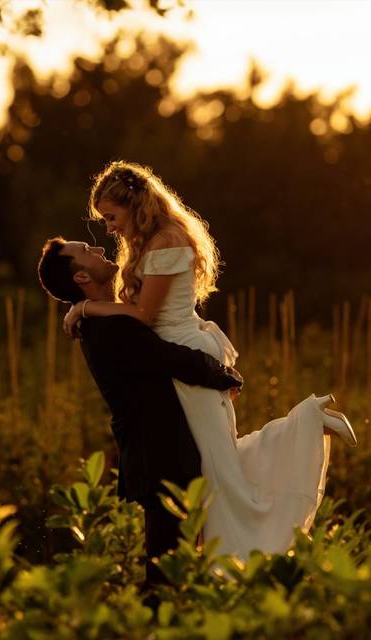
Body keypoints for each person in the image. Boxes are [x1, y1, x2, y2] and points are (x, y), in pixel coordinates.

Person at [60, 160, 357, 560]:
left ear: (133, 204)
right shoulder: (149, 242)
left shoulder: (166, 241)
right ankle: (300, 430)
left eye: (112, 217)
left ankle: (305, 424)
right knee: (219, 459)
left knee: (220, 467)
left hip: (183, 349)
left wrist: (85, 310)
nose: (109, 228)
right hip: (180, 348)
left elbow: (146, 317)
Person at [37, 236, 243, 588]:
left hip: (160, 456)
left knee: (175, 567)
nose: (99, 250)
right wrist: (226, 373)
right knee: (166, 574)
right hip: (161, 457)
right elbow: (171, 358)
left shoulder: (106, 319)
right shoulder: (108, 328)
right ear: (82, 278)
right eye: (86, 252)